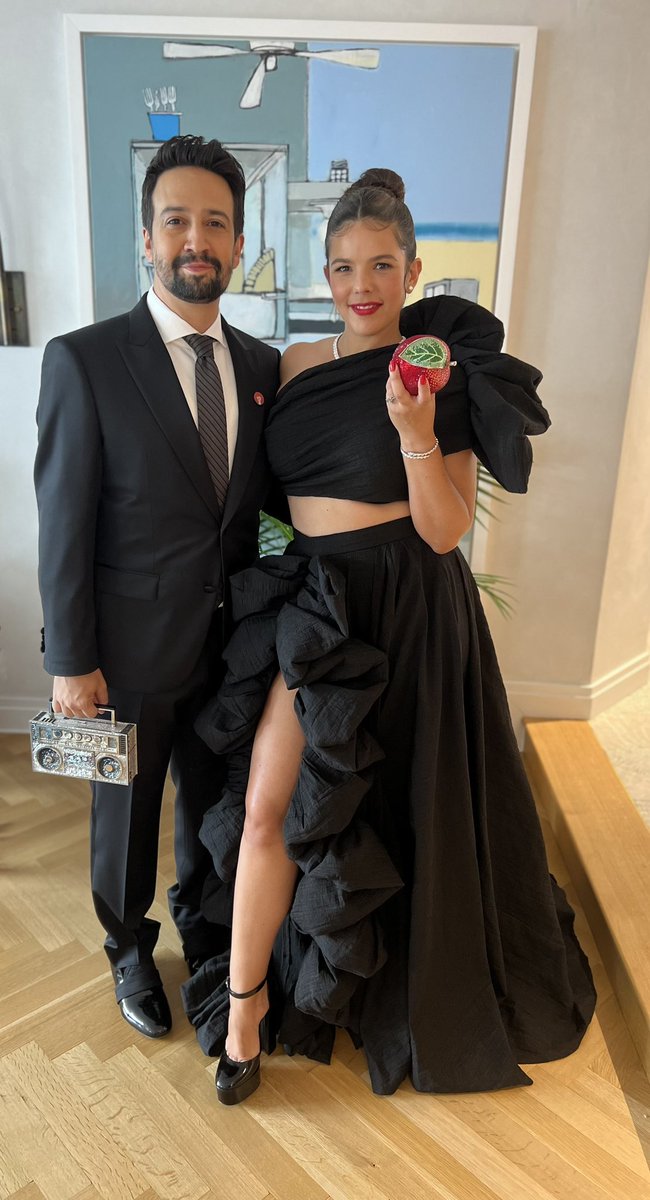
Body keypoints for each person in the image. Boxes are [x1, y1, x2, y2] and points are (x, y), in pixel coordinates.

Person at [183, 168, 596, 1102]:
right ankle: (244, 1014)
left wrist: (415, 428)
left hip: (410, 600)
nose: (360, 285)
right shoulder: (293, 365)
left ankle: (395, 990)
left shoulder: (433, 369)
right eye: (341, 267)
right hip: (321, 602)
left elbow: (446, 529)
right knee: (267, 806)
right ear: (323, 275)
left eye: (380, 266)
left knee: (407, 805)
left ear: (412, 271)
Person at [34, 135, 282, 1039]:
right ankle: (126, 950)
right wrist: (72, 663)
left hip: (233, 651)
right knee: (126, 819)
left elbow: (270, 513)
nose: (195, 238)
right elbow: (63, 524)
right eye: (176, 220)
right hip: (128, 657)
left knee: (216, 804)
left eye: (215, 222)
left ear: (238, 240)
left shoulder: (260, 370)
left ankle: (206, 933)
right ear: (147, 237)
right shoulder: (85, 360)